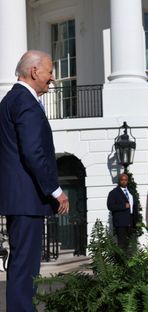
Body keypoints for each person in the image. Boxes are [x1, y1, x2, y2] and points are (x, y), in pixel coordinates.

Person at [0, 50, 69, 311]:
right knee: (25, 265)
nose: (52, 78)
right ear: (34, 71)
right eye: (50, 71)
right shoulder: (25, 102)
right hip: (26, 198)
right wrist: (56, 190)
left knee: (22, 263)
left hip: (20, 198)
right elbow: (33, 152)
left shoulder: (11, 100)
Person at [107, 173, 140, 254]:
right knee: (121, 244)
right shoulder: (113, 193)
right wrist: (123, 206)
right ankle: (121, 264)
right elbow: (110, 206)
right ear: (119, 181)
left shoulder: (131, 192)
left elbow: (134, 207)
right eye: (122, 180)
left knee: (129, 243)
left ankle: (128, 262)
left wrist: (136, 220)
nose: (124, 182)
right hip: (120, 222)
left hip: (131, 222)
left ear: (127, 181)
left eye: (125, 180)